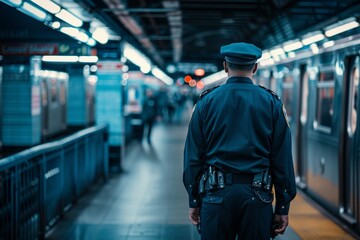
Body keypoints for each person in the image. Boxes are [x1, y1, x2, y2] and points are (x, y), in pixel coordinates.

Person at [183, 42, 296, 240]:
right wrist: (282, 206)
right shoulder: (272, 103)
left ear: (225, 66)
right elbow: (282, 159)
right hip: (258, 197)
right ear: (255, 67)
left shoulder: (205, 102)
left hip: (215, 196)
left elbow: (193, 156)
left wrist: (194, 200)